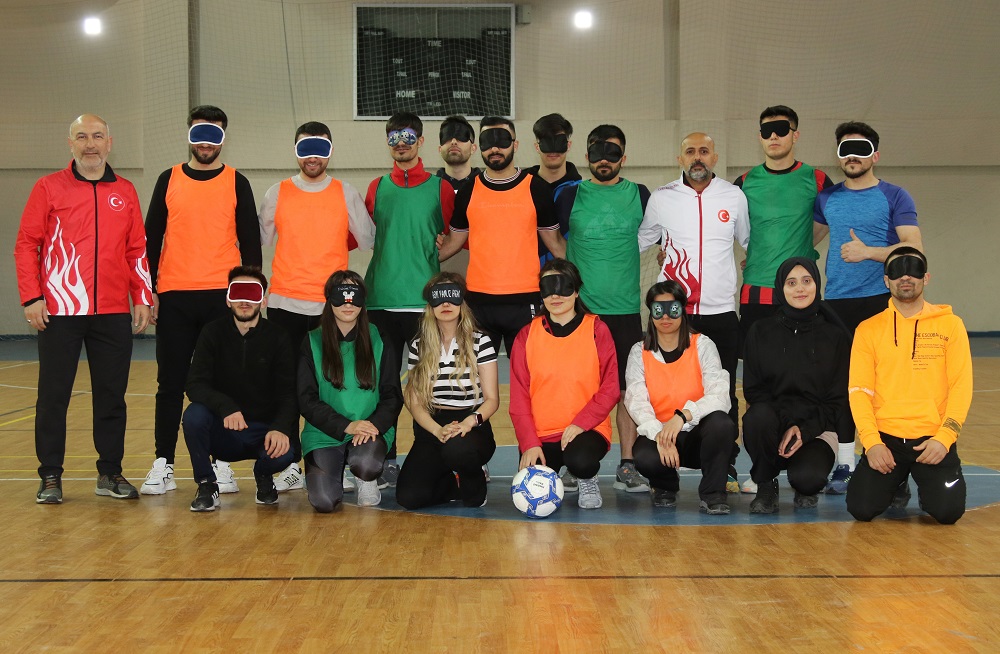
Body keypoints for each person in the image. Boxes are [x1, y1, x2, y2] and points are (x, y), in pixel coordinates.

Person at [15, 113, 152, 503]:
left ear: (110, 142)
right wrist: (32, 296)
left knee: (112, 396)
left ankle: (110, 473)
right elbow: (27, 245)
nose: (89, 144)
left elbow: (136, 248)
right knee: (53, 395)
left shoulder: (124, 190)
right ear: (70, 143)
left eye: (96, 136)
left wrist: (141, 295)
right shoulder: (48, 187)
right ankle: (50, 476)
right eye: (81, 137)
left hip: (111, 311)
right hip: (59, 310)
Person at [142, 105, 262, 496]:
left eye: (214, 134)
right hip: (175, 296)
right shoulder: (168, 179)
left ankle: (220, 463)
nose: (207, 142)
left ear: (223, 138)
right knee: (170, 383)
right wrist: (150, 292)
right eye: (200, 133)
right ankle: (164, 462)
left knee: (221, 382)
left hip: (221, 298)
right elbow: (150, 239)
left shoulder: (236, 181)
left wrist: (252, 297)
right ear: (190, 135)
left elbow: (251, 244)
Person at [258, 120, 375, 492]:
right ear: (295, 150)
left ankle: (349, 455)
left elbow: (368, 236)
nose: (312, 156)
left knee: (339, 385)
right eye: (305, 148)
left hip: (333, 308)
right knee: (290, 388)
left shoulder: (346, 193)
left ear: (330, 151)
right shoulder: (276, 192)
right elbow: (258, 238)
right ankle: (292, 461)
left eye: (320, 148)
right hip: (285, 304)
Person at [814, 121, 922, 493]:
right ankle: (845, 464)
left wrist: (869, 253)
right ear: (839, 156)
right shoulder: (827, 199)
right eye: (845, 149)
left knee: (886, 387)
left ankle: (894, 466)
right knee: (847, 386)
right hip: (837, 305)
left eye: (861, 148)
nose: (853, 156)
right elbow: (803, 241)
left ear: (875, 154)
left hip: (881, 302)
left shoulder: (895, 196)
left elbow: (913, 248)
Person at [638, 132, 749, 492]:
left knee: (724, 391)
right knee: (664, 389)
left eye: (703, 151)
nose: (697, 157)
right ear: (679, 158)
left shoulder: (733, 196)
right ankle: (662, 464)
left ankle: (725, 466)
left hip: (720, 312)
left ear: (715, 157)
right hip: (675, 314)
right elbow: (642, 239)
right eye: (690, 152)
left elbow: (749, 242)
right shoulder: (661, 198)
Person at [555, 124, 651, 494]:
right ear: (587, 155)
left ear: (624, 157)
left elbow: (656, 232)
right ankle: (572, 459)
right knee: (578, 387)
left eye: (613, 153)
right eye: (598, 152)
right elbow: (550, 235)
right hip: (582, 313)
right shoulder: (569, 194)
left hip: (625, 309)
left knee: (627, 389)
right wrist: (573, 272)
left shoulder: (640, 195)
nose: (605, 160)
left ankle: (627, 464)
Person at [846, 248, 971, 525]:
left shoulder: (951, 325)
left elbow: (961, 386)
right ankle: (897, 481)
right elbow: (859, 391)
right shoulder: (868, 330)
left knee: (947, 513)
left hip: (932, 440)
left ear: (925, 278)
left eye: (913, 269)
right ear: (885, 281)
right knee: (861, 509)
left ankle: (928, 486)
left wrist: (945, 438)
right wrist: (871, 443)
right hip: (886, 441)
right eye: (896, 271)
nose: (905, 277)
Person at [364, 111, 455, 486]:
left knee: (428, 386)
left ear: (420, 141)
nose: (400, 143)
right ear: (388, 143)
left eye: (407, 136)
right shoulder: (374, 189)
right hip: (380, 302)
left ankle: (426, 457)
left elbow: (451, 237)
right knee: (384, 386)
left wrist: (431, 258)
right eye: (393, 137)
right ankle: (385, 457)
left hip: (423, 305)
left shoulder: (441, 189)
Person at [439, 116, 566, 357]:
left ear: (515, 145)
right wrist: (417, 257)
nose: (495, 148)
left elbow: (557, 244)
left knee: (528, 377)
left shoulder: (535, 188)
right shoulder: (468, 190)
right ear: (480, 147)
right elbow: (452, 243)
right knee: (474, 381)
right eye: (488, 141)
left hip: (525, 300)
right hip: (478, 303)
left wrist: (589, 272)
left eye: (502, 140)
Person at [182, 267, 297, 511]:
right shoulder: (212, 333)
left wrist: (279, 428)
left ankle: (264, 476)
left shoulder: (279, 337)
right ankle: (206, 485)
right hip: (224, 430)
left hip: (262, 434)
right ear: (228, 298)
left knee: (287, 452)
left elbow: (288, 392)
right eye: (238, 293)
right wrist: (227, 408)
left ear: (264, 300)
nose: (244, 301)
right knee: (193, 415)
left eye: (252, 294)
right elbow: (195, 384)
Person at [509, 260, 619, 509]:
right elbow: (518, 397)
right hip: (542, 434)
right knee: (528, 492)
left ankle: (585, 476)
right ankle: (562, 470)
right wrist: (529, 443)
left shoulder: (596, 330)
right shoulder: (527, 335)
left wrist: (582, 422)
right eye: (548, 287)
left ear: (577, 290)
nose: (555, 294)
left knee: (580, 459)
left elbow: (611, 388)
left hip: (586, 430)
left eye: (563, 286)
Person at [742, 258, 849, 513]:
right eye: (791, 283)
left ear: (816, 284)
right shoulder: (760, 331)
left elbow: (838, 398)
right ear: (780, 288)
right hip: (773, 424)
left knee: (808, 480)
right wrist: (788, 424)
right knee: (757, 416)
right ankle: (766, 485)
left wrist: (804, 429)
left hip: (818, 427)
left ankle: (805, 480)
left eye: (806, 281)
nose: (800, 289)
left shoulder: (834, 336)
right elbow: (754, 391)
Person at [624, 281, 735, 514]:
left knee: (722, 424)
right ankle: (664, 487)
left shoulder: (702, 345)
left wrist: (682, 417)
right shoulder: (639, 351)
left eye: (672, 309)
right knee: (644, 455)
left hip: (697, 436)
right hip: (662, 436)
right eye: (658, 309)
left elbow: (720, 395)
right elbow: (636, 401)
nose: (665, 316)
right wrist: (660, 435)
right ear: (650, 313)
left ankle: (713, 493)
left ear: (682, 310)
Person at [297, 271, 403, 512]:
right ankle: (333, 470)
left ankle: (366, 479)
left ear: (363, 301)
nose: (348, 303)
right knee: (323, 502)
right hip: (325, 431)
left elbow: (392, 394)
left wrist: (371, 424)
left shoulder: (380, 337)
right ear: (328, 299)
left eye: (354, 296)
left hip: (370, 430)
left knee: (366, 464)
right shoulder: (311, 341)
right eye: (341, 295)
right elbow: (306, 399)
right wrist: (347, 425)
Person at [396, 273, 499, 509]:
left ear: (462, 301)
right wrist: (437, 430)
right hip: (433, 424)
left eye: (452, 296)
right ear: (429, 305)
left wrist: (467, 424)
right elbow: (414, 400)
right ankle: (449, 482)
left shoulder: (480, 342)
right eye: (438, 297)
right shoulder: (419, 345)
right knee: (409, 497)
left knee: (458, 451)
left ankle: (473, 477)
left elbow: (492, 400)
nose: (445, 304)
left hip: (471, 423)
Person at [735, 105, 832, 346]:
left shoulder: (817, 179)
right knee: (757, 365)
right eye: (767, 131)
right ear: (760, 137)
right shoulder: (744, 182)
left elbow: (831, 220)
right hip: (757, 287)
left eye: (780, 130)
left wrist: (798, 245)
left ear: (795, 135)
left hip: (800, 288)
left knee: (805, 364)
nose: (774, 137)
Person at [435, 115, 481, 193]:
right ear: (440, 149)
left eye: (461, 137)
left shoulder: (486, 187)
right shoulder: (431, 189)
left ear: (473, 148)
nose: (453, 142)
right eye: (447, 137)